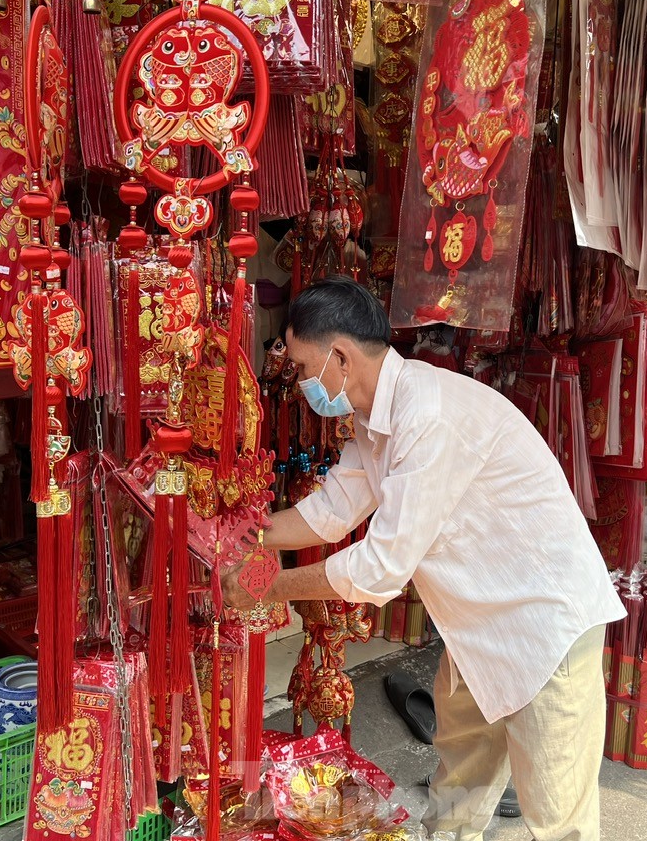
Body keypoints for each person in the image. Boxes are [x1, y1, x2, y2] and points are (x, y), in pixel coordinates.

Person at [223, 277, 625, 841]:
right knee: (457, 792)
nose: (300, 384)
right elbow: (336, 509)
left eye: (302, 368)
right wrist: (248, 536)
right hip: (475, 629)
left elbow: (379, 570)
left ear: (339, 356)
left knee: (558, 821)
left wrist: (267, 585)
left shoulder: (427, 415)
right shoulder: (373, 418)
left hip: (543, 627)